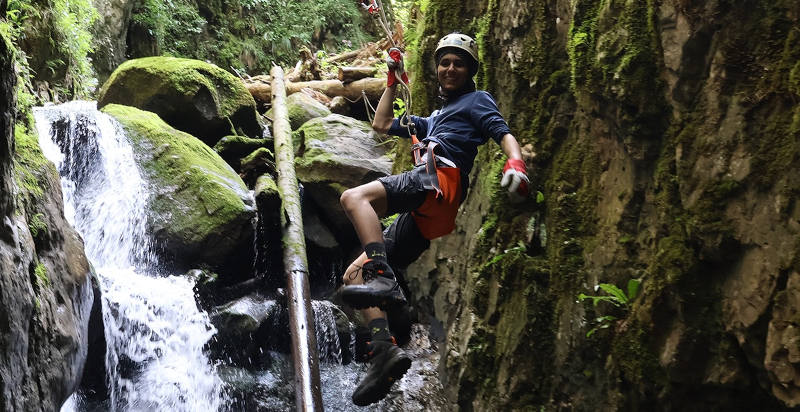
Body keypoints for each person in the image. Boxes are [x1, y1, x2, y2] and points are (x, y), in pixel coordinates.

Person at [338, 32, 530, 406]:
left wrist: (516, 163)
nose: (450, 68)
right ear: (437, 68)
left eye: (459, 62)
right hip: (429, 210)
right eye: (445, 62)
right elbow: (380, 124)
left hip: (439, 178)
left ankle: (383, 280)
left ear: (470, 69)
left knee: (353, 197)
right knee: (352, 275)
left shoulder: (478, 101)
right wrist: (392, 83)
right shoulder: (435, 118)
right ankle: (383, 351)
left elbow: (503, 134)